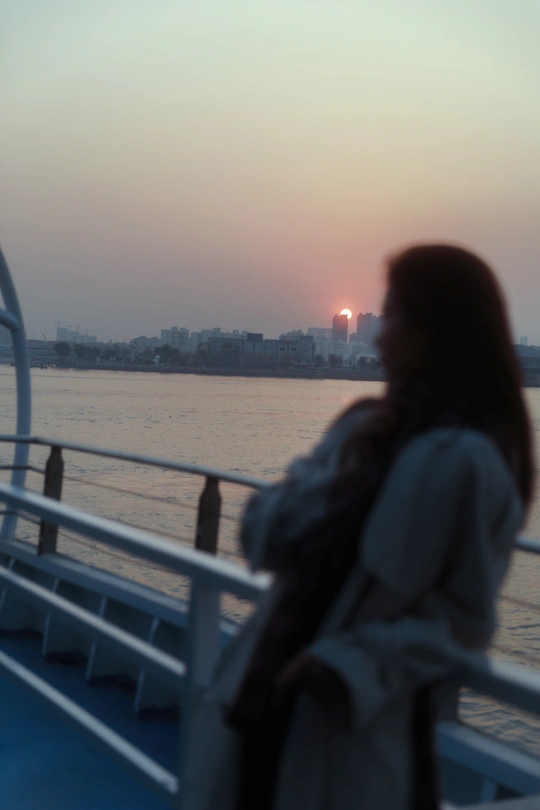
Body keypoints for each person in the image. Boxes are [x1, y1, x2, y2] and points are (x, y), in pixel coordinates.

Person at [183, 245, 533, 810]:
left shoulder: (470, 464)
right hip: (261, 696)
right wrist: (343, 481)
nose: (378, 339)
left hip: (348, 732)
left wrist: (351, 666)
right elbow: (260, 534)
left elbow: (464, 621)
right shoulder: (362, 430)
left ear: (434, 332)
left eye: (392, 318)